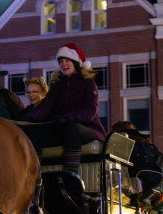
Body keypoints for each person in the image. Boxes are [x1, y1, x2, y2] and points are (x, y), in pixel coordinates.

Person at [23, 43, 105, 172]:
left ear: (76, 63)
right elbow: (45, 108)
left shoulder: (88, 83)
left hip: (89, 128)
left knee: (72, 128)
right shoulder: (57, 86)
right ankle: (35, 175)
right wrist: (25, 119)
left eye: (67, 60)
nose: (63, 64)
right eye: (61, 61)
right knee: (35, 133)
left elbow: (90, 112)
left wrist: (67, 117)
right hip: (63, 127)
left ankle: (70, 175)